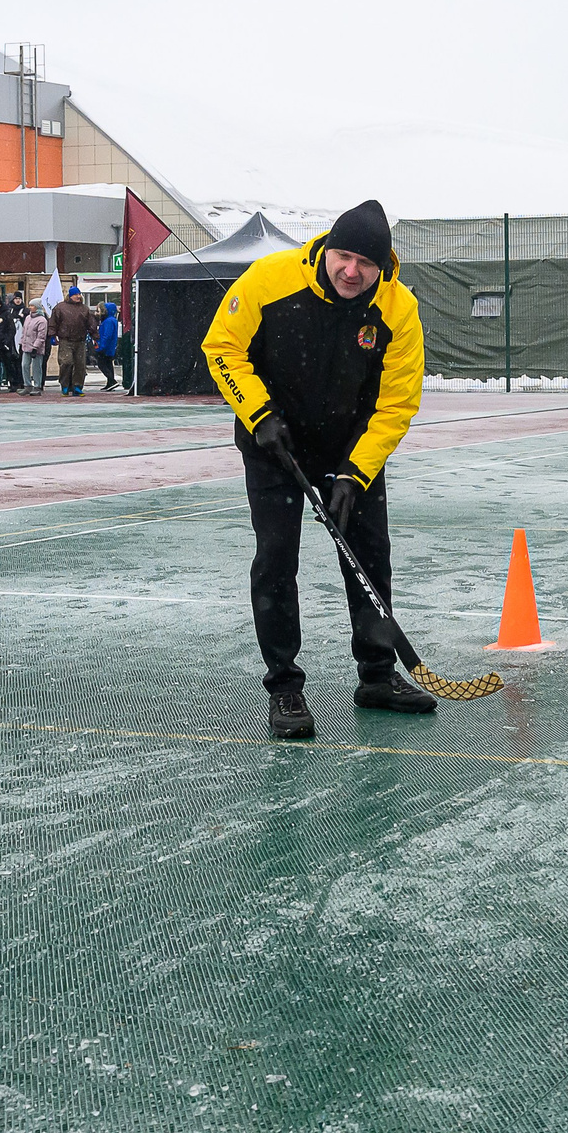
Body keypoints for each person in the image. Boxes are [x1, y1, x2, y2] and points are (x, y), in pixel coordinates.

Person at [204, 199, 431, 738]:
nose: (352, 271)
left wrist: (357, 472)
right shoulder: (269, 280)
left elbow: (397, 403)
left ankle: (377, 676)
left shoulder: (398, 310)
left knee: (370, 557)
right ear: (328, 248)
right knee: (277, 560)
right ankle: (285, 687)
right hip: (274, 445)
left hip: (349, 450)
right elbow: (222, 348)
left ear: (384, 266)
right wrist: (259, 415)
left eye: (366, 263)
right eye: (344, 256)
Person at [51, 289, 94, 395]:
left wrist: (95, 337)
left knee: (80, 365)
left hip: (80, 340)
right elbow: (53, 322)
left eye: (79, 294)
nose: (78, 296)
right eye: (75, 294)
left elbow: (91, 324)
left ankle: (77, 386)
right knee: (66, 362)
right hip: (65, 340)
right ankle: (65, 385)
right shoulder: (60, 308)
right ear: (69, 296)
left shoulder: (84, 309)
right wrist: (52, 335)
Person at [18, 298, 50, 389]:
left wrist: (35, 347)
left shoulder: (42, 320)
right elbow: (24, 332)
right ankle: (27, 385)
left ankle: (37, 385)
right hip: (26, 346)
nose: (30, 307)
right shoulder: (28, 318)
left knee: (37, 368)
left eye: (32, 306)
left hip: (36, 348)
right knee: (24, 366)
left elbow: (41, 336)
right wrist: (21, 343)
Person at [94, 299, 125, 391]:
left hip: (106, 347)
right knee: (108, 364)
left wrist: (101, 346)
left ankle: (112, 380)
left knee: (102, 364)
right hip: (110, 347)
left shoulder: (108, 321)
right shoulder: (112, 320)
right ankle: (110, 382)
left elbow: (106, 336)